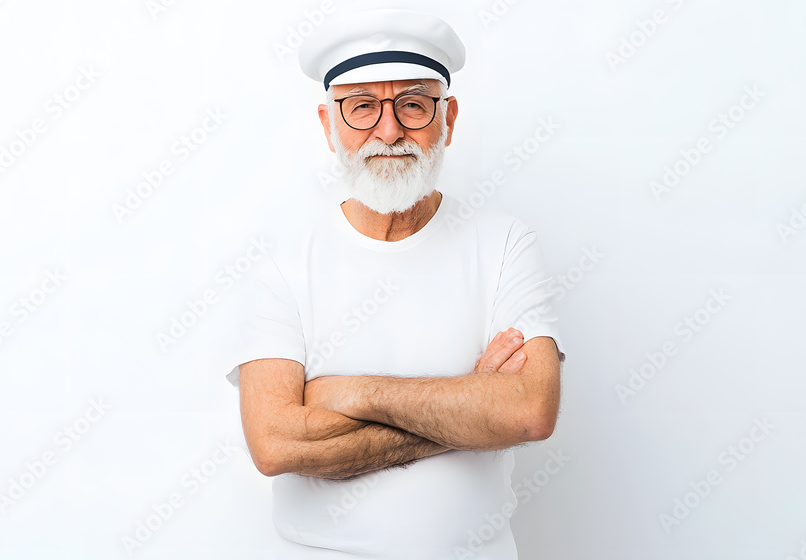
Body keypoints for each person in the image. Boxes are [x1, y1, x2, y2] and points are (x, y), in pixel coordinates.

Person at [218, 7, 566, 559]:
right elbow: (275, 443)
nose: (388, 130)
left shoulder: (505, 244)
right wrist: (470, 414)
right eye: (361, 107)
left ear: (447, 117)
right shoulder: (283, 264)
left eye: (412, 104)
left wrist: (351, 394)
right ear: (329, 126)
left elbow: (529, 412)